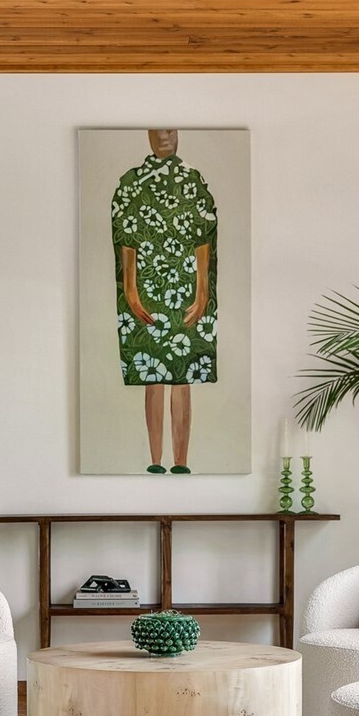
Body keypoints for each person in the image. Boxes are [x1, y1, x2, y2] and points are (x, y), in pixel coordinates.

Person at [110, 129, 218, 474]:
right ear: (148, 134)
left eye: (170, 130)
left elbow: (204, 239)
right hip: (147, 286)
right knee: (152, 376)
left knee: (182, 376)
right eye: (158, 131)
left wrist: (202, 292)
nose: (164, 137)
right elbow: (126, 238)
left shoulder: (193, 180)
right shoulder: (131, 182)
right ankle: (155, 460)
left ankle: (182, 462)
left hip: (185, 284)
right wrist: (130, 290)